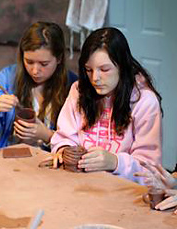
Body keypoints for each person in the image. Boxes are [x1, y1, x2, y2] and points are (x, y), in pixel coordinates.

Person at [51, 27, 163, 184]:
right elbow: (65, 136)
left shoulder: (144, 101)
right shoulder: (79, 90)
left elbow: (150, 170)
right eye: (89, 70)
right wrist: (63, 150)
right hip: (79, 183)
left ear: (122, 67)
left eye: (104, 69)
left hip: (123, 190)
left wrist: (115, 162)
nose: (95, 78)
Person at [0, 21, 78, 150]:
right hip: (11, 162)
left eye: (44, 64)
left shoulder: (74, 87)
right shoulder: (7, 79)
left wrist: (47, 135)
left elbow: (81, 145)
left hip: (52, 165)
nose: (35, 71)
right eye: (29, 62)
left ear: (59, 58)